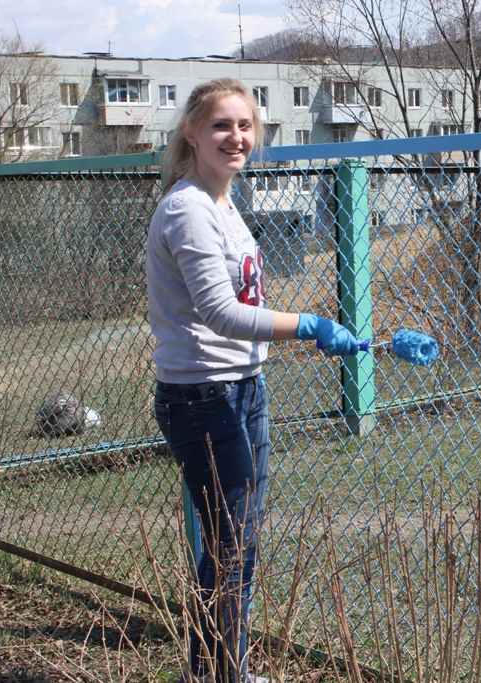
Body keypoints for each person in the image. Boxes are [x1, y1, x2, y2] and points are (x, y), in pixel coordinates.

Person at [147, 78, 361, 683]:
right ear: (192, 132)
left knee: (237, 544)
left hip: (242, 387)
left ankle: (217, 670)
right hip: (202, 396)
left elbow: (240, 300)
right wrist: (311, 324)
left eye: (244, 126)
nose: (235, 137)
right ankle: (221, 675)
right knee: (232, 546)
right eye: (221, 125)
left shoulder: (225, 203)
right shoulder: (188, 208)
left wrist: (304, 331)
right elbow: (220, 312)